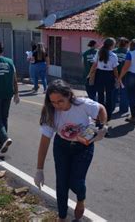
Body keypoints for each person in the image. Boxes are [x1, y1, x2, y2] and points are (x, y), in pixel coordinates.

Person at [34, 79, 108, 222]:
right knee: (61, 184)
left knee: (76, 182)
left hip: (83, 147)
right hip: (62, 146)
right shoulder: (50, 112)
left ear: (69, 95)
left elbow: (101, 109)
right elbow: (44, 142)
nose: (57, 105)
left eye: (60, 101)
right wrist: (39, 169)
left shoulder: (82, 104)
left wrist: (102, 127)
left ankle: (81, 199)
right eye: (53, 102)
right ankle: (62, 217)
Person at [88, 37, 118, 122]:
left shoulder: (99, 52)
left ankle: (100, 115)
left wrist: (90, 74)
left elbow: (94, 65)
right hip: (109, 75)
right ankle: (107, 116)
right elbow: (115, 69)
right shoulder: (113, 55)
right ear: (111, 46)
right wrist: (117, 78)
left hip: (99, 74)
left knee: (100, 95)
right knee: (109, 97)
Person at [112, 37, 129, 115]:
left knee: (113, 91)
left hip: (113, 74)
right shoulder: (128, 52)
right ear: (126, 44)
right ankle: (124, 109)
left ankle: (111, 107)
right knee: (124, 92)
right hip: (125, 74)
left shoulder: (113, 52)